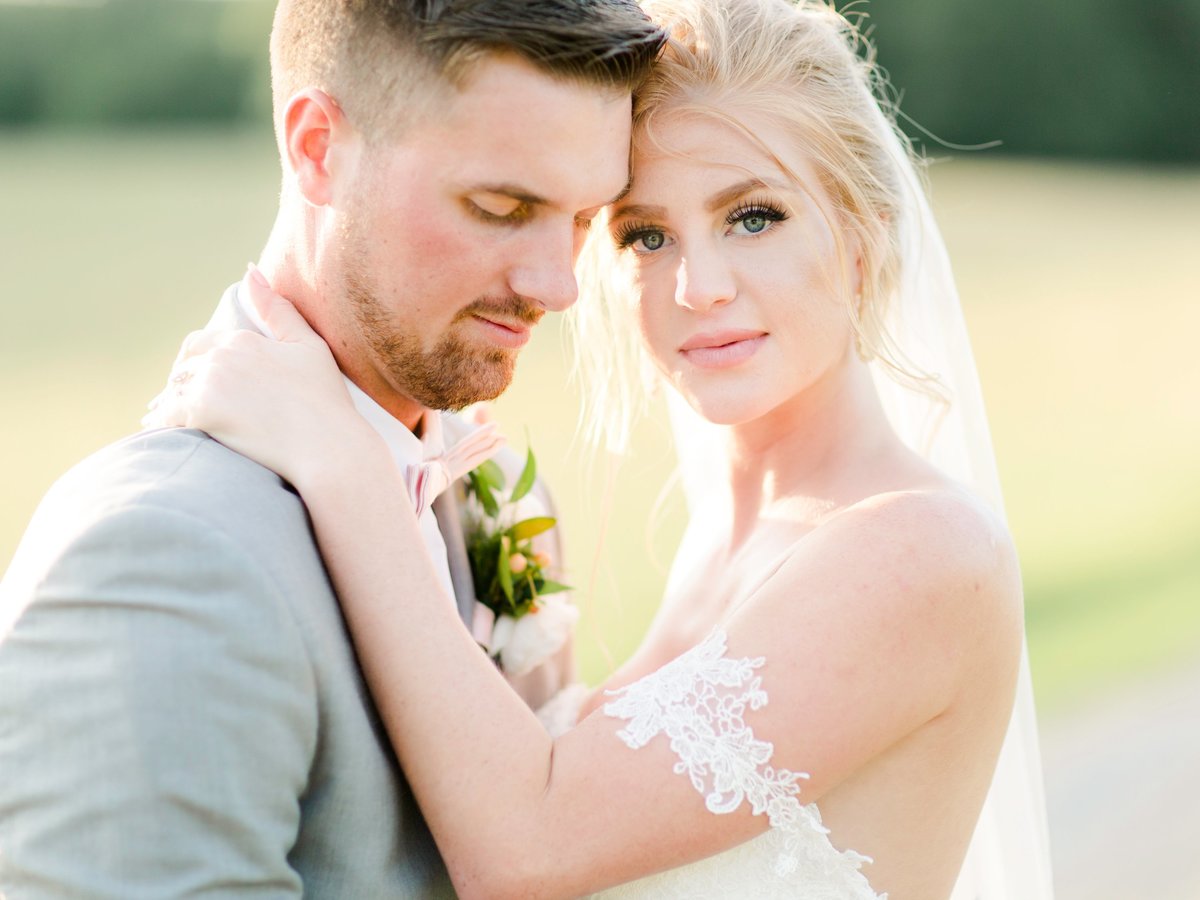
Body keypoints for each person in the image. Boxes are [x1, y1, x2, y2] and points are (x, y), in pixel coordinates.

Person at [156, 0, 1056, 898]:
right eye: (646, 235)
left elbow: (528, 848)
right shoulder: (730, 534)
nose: (699, 287)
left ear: (864, 235)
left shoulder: (922, 553)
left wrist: (339, 462)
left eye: (754, 217)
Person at [0, 2, 664, 897]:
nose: (557, 283)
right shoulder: (158, 554)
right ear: (318, 147)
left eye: (584, 219)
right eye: (501, 207)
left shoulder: (488, 478)